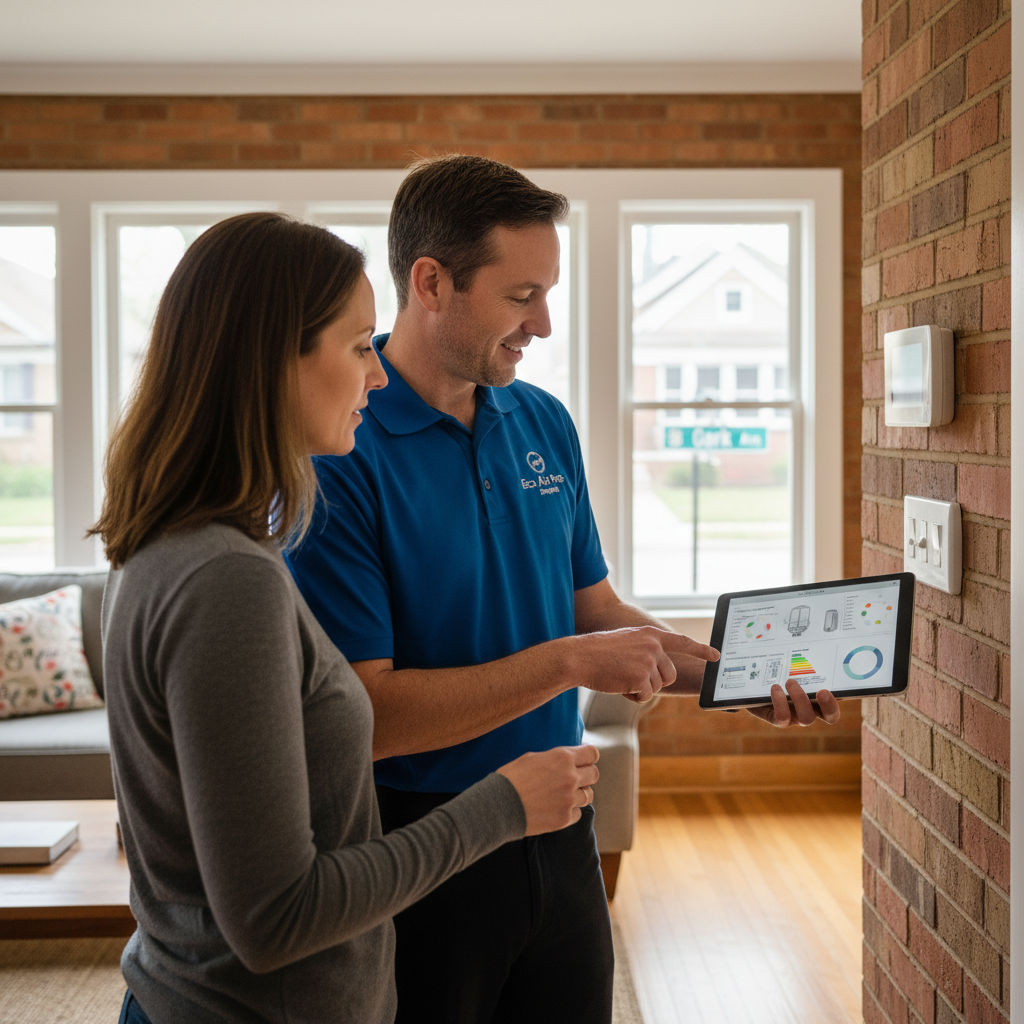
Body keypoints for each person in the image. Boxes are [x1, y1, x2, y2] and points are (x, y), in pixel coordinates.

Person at [286, 155, 841, 1024]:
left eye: (548, 292)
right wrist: (573, 662)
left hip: (563, 822)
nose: (543, 323)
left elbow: (596, 612)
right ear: (431, 282)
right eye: (520, 296)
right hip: (424, 842)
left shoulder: (543, 420)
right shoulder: (340, 451)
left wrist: (736, 682)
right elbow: (369, 716)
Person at [89, 211, 602, 1024]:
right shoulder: (227, 578)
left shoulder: (165, 545)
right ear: (269, 363)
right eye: (360, 346)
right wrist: (503, 804)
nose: (375, 375)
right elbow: (274, 917)